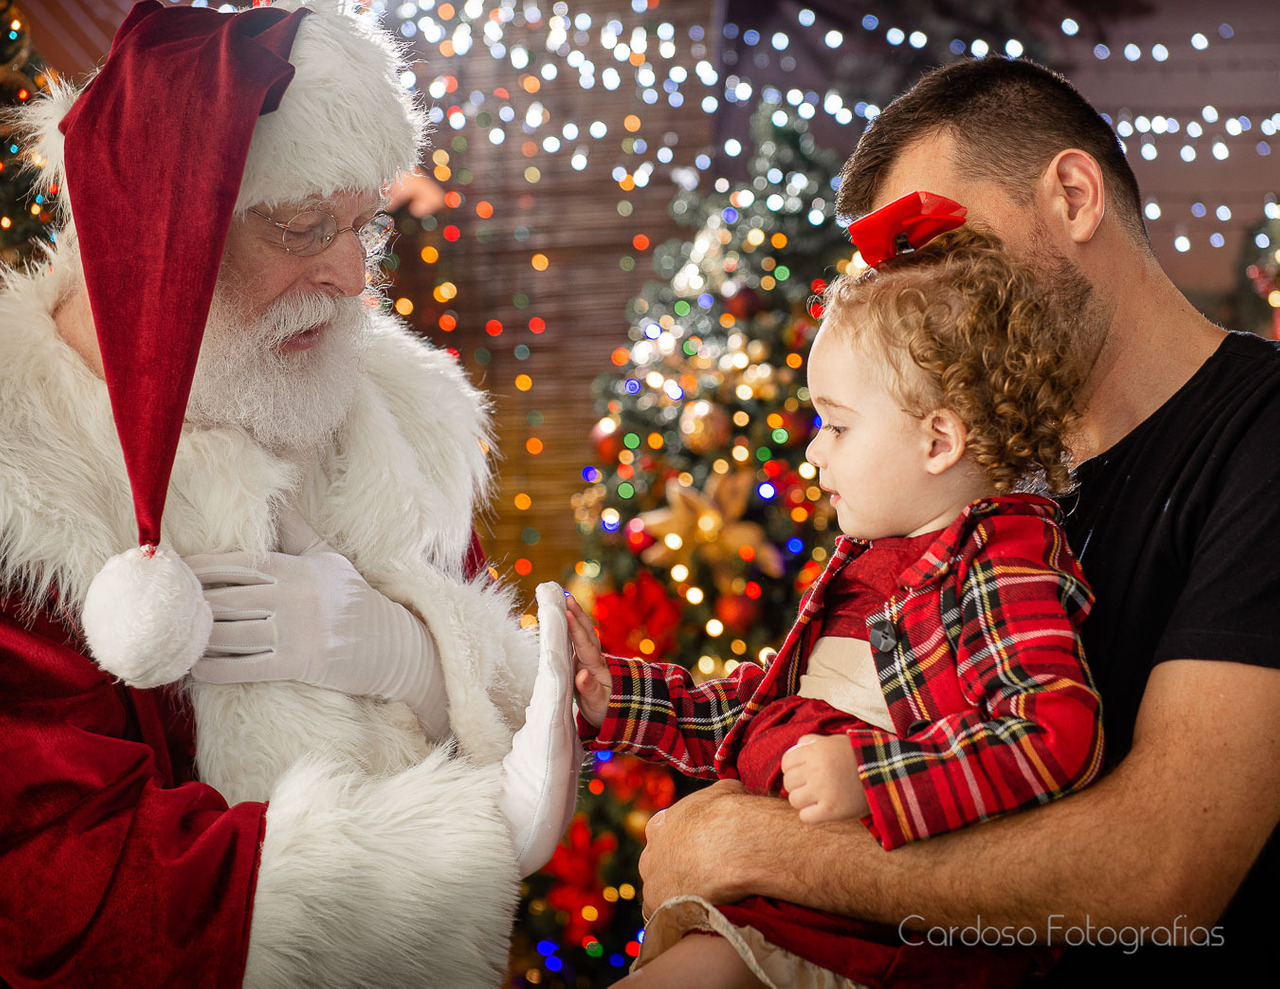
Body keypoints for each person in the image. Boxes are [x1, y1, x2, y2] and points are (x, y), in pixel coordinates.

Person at [633, 56, 1280, 982]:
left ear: (1072, 196)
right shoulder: (969, 490)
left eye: (941, 242)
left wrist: (760, 847)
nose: (928, 297)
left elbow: (1162, 871)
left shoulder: (1261, 437)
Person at [0, 2, 579, 986]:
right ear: (164, 232)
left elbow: (528, 712)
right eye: (304, 226)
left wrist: (416, 660)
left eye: (364, 225)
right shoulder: (28, 486)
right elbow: (56, 882)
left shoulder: (391, 408)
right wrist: (459, 847)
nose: (353, 274)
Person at [570, 210, 1105, 987]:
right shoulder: (870, 559)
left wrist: (873, 774)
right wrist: (616, 696)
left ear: (938, 441)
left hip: (878, 943)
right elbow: (763, 720)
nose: (815, 449)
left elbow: (1053, 734)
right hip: (787, 915)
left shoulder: (997, 563)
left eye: (838, 426)